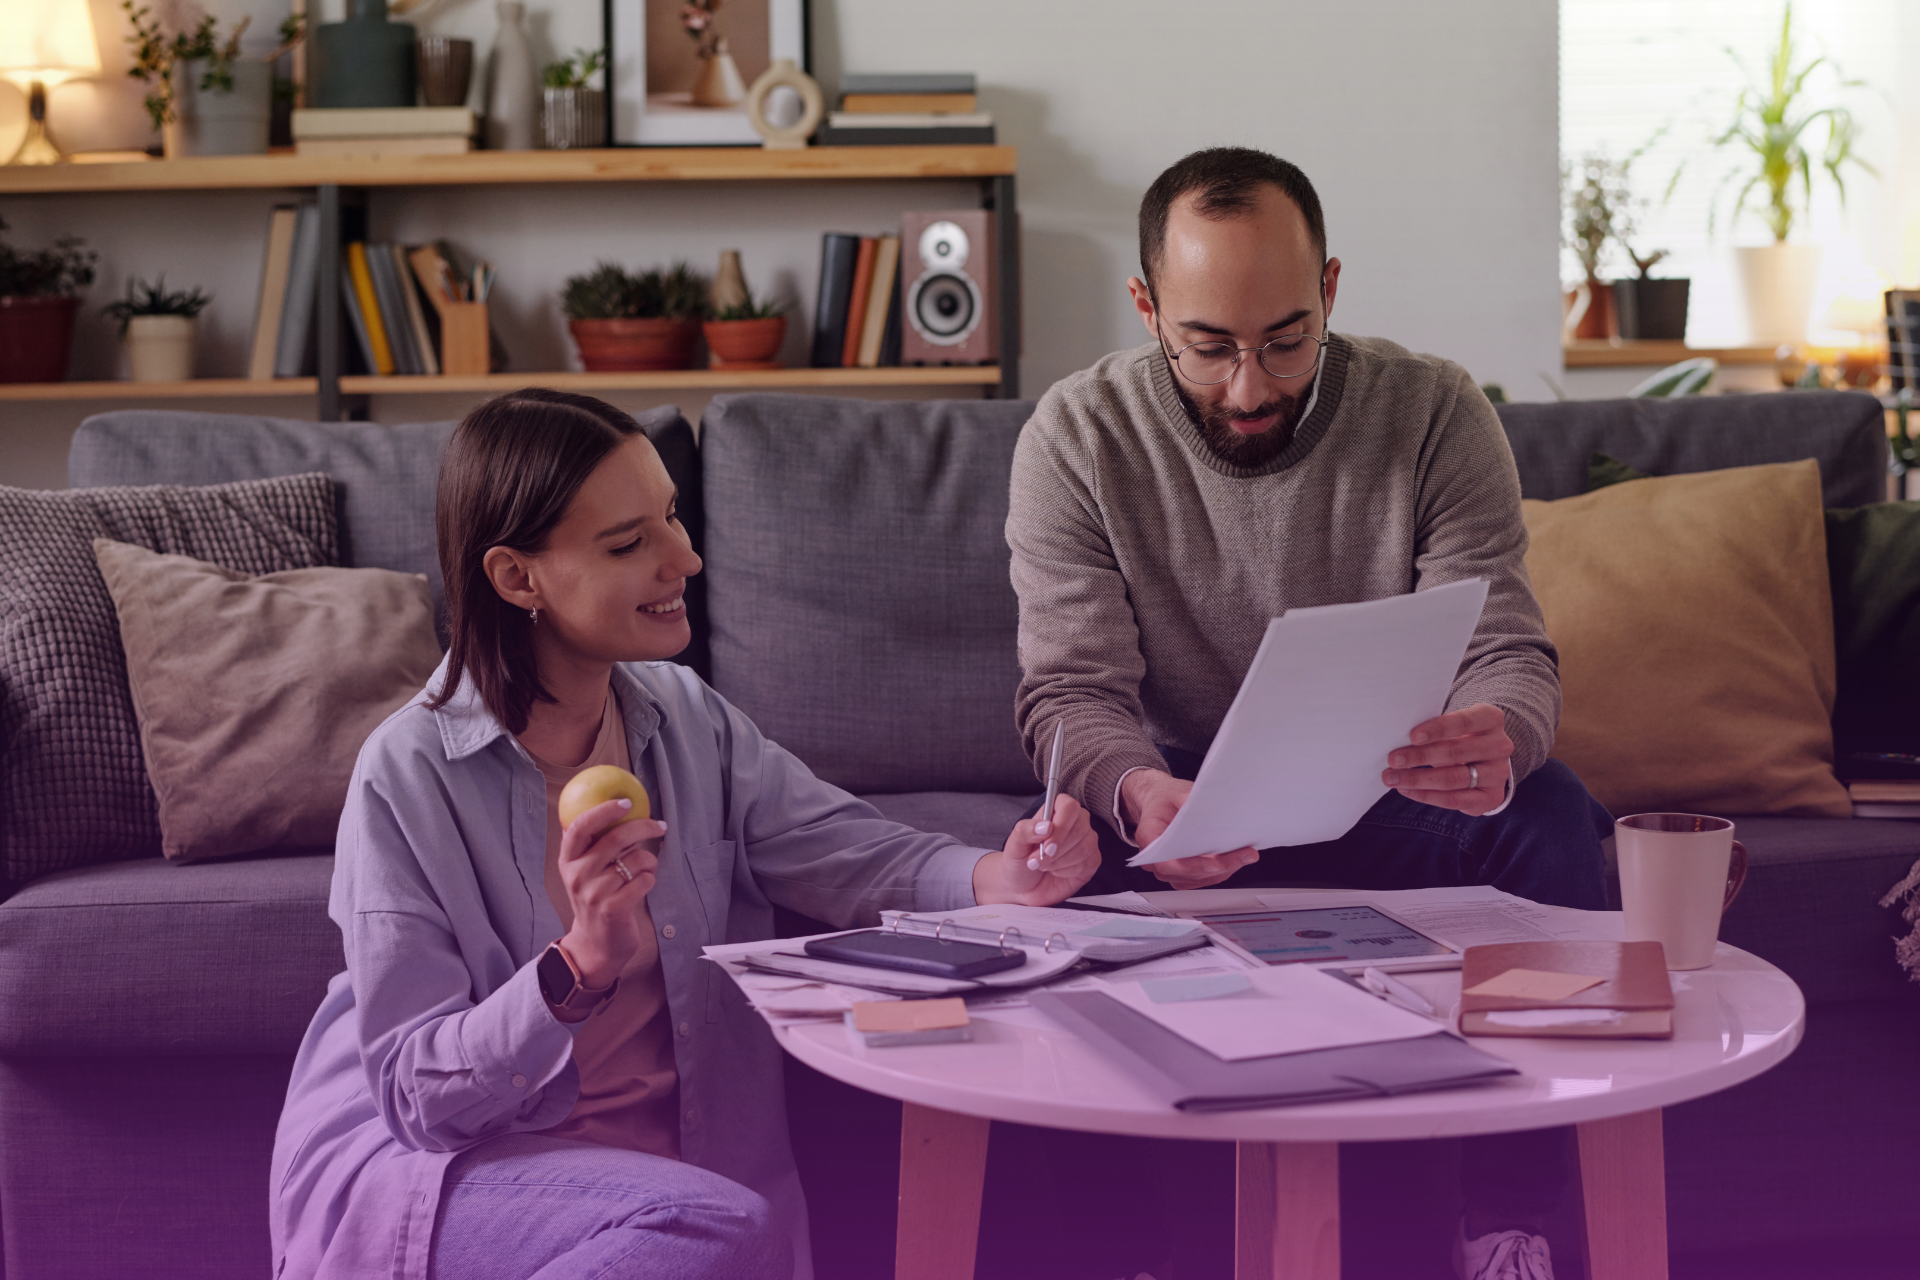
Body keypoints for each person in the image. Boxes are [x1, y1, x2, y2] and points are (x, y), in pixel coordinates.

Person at [269, 388, 1100, 1280]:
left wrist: (997, 879)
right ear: (518, 578)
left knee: (713, 1229)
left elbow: (843, 847)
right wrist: (577, 963)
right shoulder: (407, 774)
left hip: (687, 1193)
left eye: (669, 517)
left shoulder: (684, 717)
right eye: (630, 543)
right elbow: (414, 1100)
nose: (687, 558)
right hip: (462, 1172)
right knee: (709, 1230)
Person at [1005, 148, 1613, 1280]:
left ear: (1330, 288)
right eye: (1208, 346)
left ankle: (1508, 1230)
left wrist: (1497, 735)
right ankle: (1122, 1255)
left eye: (1287, 338)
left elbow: (1508, 646)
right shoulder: (1075, 435)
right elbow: (1070, 694)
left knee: (1552, 811)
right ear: (1147, 308)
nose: (1250, 385)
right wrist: (1137, 794)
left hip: (1381, 787)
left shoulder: (1434, 409)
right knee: (1051, 869)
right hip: (1180, 804)